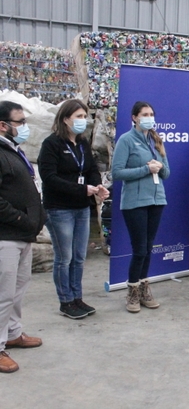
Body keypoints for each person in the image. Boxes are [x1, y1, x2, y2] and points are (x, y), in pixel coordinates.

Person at [38, 99, 109, 319]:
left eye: (84, 116)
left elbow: (91, 169)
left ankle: (77, 297)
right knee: (64, 257)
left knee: (79, 256)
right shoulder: (51, 144)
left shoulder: (82, 144)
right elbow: (49, 178)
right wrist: (82, 190)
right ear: (65, 119)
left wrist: (97, 186)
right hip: (59, 209)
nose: (83, 121)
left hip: (81, 208)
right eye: (78, 116)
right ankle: (66, 300)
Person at [0, 101, 46, 373]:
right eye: (20, 122)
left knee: (18, 290)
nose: (24, 127)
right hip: (7, 235)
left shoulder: (12, 150)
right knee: (3, 294)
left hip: (23, 235)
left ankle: (14, 333)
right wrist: (21, 218)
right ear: (3, 125)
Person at [112, 101, 169, 313]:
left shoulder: (156, 140)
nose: (149, 117)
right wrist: (145, 169)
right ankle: (133, 291)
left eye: (152, 114)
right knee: (139, 249)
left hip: (157, 200)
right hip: (134, 203)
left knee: (148, 247)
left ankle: (145, 287)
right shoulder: (126, 141)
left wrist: (160, 166)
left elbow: (167, 173)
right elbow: (117, 173)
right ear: (135, 117)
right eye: (145, 114)